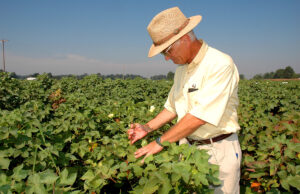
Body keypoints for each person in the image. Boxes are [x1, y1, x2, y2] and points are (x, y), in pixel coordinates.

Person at [127, 7, 241, 194]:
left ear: (186, 38)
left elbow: (199, 117)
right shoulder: (182, 70)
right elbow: (172, 107)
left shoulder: (219, 63)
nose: (166, 58)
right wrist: (147, 128)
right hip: (187, 149)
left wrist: (159, 142)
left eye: (167, 51)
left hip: (217, 151)